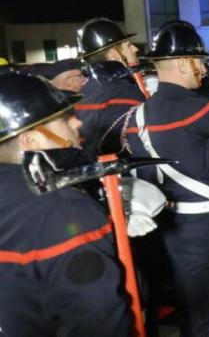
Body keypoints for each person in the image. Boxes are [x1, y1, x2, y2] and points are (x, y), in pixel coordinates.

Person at [123, 21, 209, 336]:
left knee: (192, 310)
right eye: (198, 61)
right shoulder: (198, 109)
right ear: (182, 63)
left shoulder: (137, 117)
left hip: (170, 228)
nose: (203, 67)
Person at [0, 72, 132, 336]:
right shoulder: (63, 212)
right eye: (62, 119)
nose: (77, 123)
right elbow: (98, 321)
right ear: (30, 140)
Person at [75, 17, 146, 158]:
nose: (135, 49)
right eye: (128, 45)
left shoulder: (82, 93)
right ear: (114, 54)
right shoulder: (126, 93)